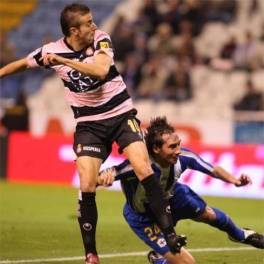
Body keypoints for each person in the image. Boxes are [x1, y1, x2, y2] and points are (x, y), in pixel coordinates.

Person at [0, 4, 183, 264]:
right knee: (86, 183)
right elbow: (22, 63)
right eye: (88, 23)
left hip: (121, 116)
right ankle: (91, 254)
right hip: (89, 125)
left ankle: (170, 234)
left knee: (143, 168)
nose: (94, 25)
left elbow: (99, 70)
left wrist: (63, 61)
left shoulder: (101, 39)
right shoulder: (49, 50)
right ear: (74, 30)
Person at [99, 116, 264, 264]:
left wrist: (234, 180)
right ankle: (158, 259)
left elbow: (213, 169)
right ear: (156, 149)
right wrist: (104, 177)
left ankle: (240, 235)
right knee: (186, 262)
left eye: (179, 144)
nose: (178, 150)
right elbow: (103, 176)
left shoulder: (183, 157)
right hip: (143, 217)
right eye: (172, 147)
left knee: (209, 214)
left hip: (173, 197)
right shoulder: (137, 165)